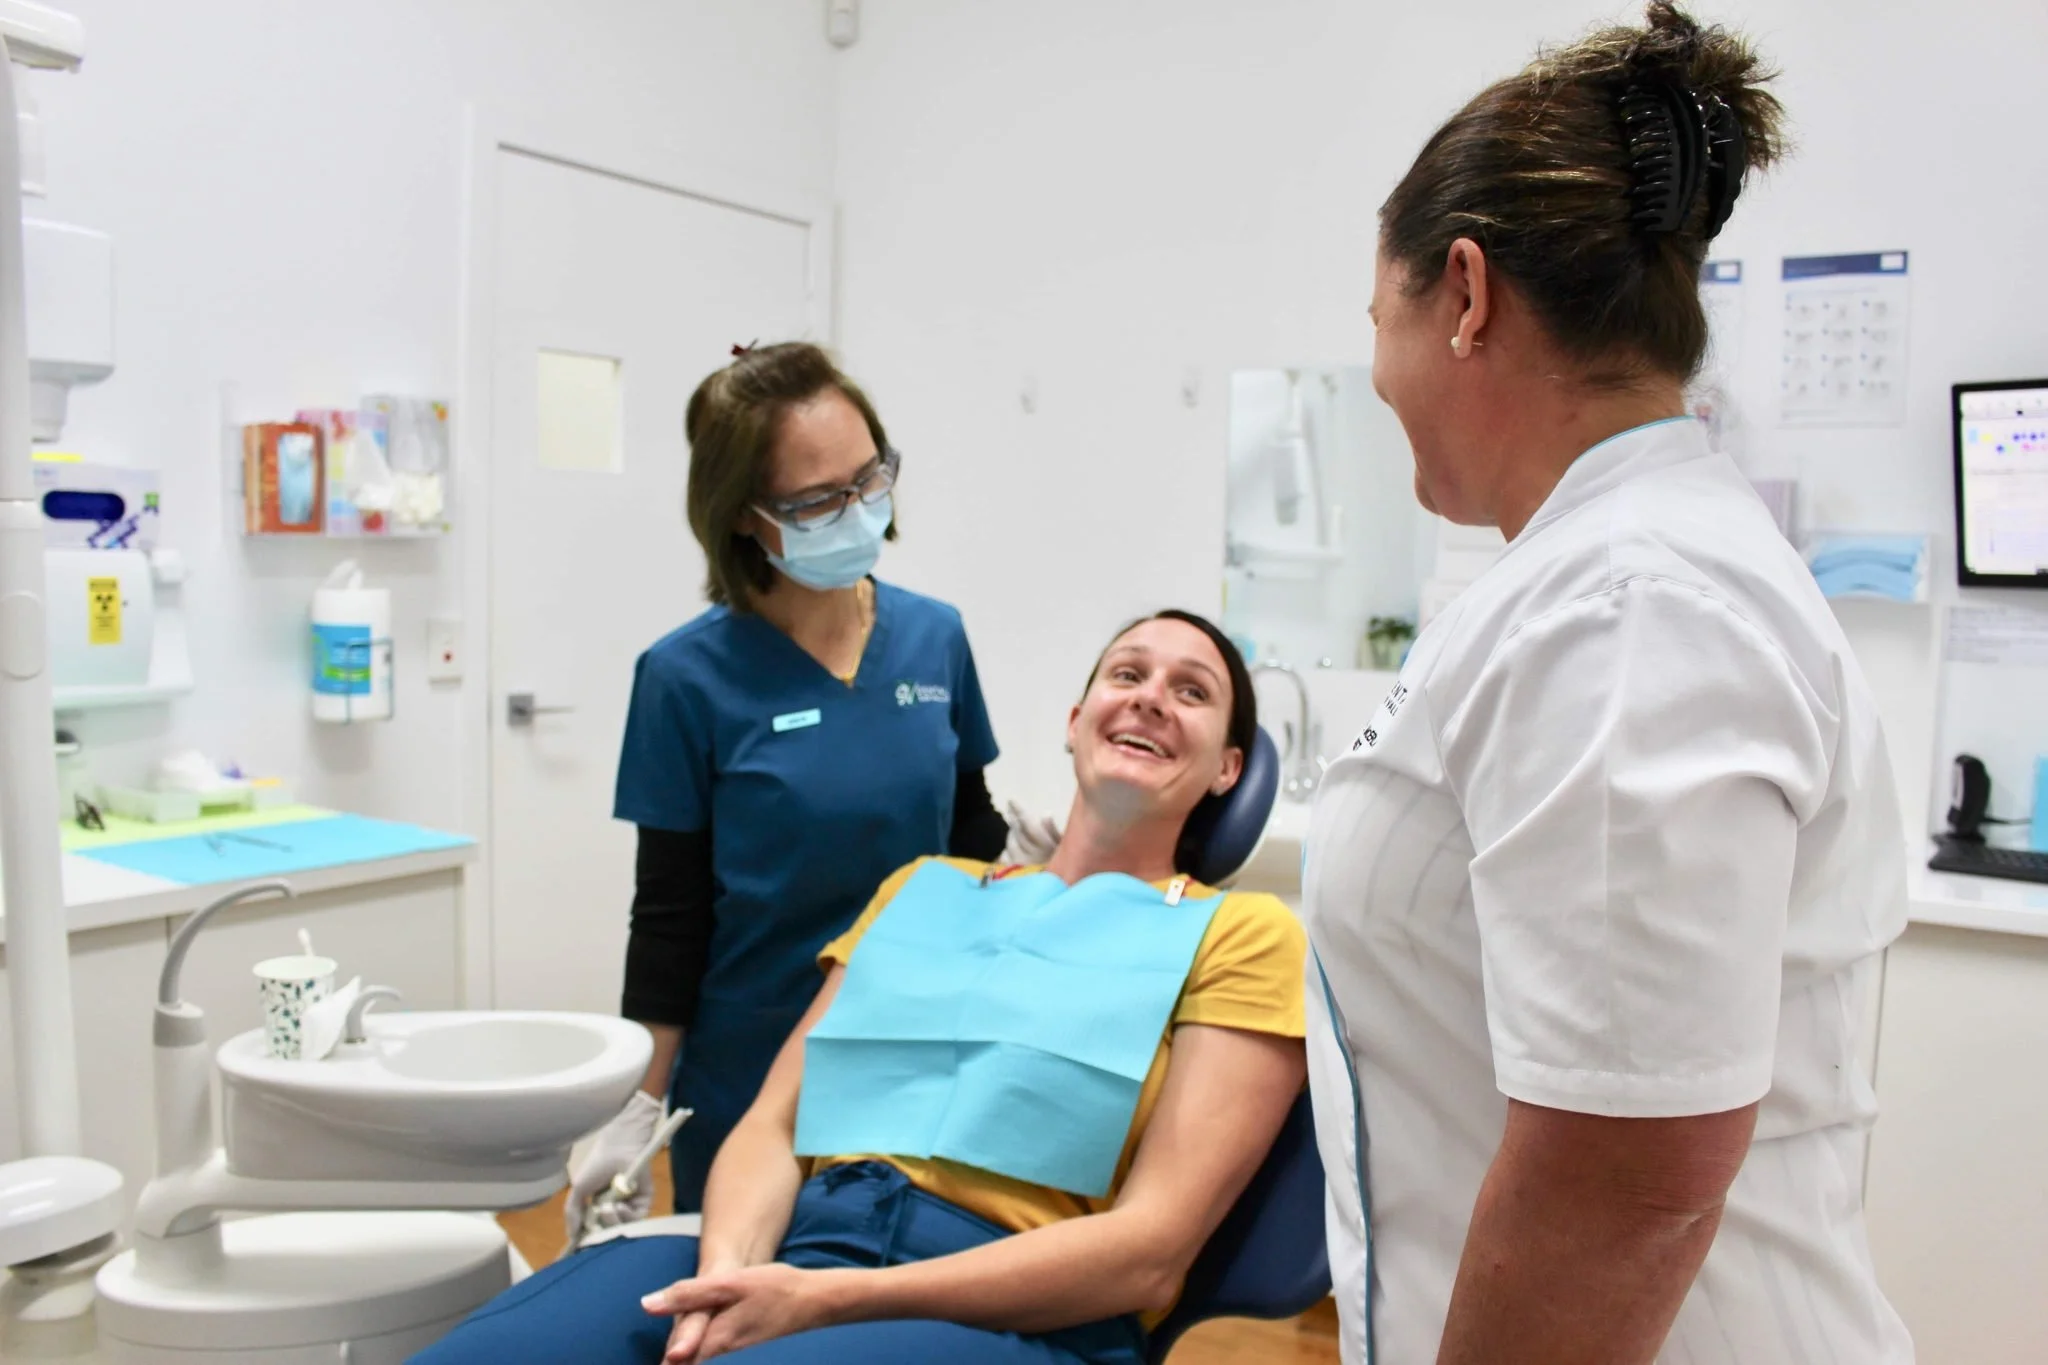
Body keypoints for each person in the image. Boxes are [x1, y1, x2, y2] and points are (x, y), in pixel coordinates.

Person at [1303, 7, 1914, 1363]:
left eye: (1380, 320)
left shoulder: (1634, 610)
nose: (1380, 373)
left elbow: (1623, 1190)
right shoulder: (1592, 583)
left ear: (1463, 295)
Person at [415, 611, 1306, 1365]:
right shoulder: (923, 888)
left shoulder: (1243, 935)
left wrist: (832, 1301)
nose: (1151, 695)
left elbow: (1149, 1255)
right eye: (1128, 673)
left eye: (1192, 691)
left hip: (1014, 1309)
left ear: (1227, 768)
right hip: (801, 1248)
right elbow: (772, 1124)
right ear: (1075, 721)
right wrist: (725, 1287)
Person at [570, 342, 1011, 1238]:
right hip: (749, 1070)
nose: (857, 512)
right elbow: (668, 918)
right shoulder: (684, 679)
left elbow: (969, 826)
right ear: (742, 516)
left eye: (870, 478)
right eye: (817, 500)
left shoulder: (936, 638)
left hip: (920, 1050)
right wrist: (634, 1107)